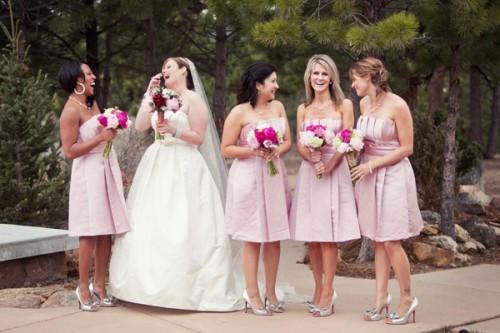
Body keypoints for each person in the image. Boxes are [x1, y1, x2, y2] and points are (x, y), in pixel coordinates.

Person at [109, 57, 243, 311]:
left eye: (169, 66)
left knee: (185, 223)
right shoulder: (159, 96)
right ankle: (143, 287)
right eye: (163, 67)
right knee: (151, 221)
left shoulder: (193, 99)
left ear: (184, 70)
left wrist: (175, 130)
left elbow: (198, 138)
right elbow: (139, 127)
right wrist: (148, 95)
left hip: (185, 166)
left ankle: (187, 288)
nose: (164, 70)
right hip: (157, 162)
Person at [350, 57, 423, 325]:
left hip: (392, 175)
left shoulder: (397, 105)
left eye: (355, 79)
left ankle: (407, 297)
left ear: (368, 77)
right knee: (378, 239)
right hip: (369, 176)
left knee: (392, 240)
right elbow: (365, 140)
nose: (353, 84)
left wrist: (373, 165)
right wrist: (351, 148)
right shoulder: (364, 104)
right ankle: (381, 297)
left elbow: (407, 148)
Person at [290, 54, 360, 317]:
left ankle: (329, 292)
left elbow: (347, 138)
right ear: (309, 77)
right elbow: (299, 142)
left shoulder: (344, 105)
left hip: (334, 171)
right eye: (315, 73)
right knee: (313, 237)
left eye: (324, 73)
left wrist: (330, 164)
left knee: (329, 237)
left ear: (331, 78)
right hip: (311, 173)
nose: (319, 78)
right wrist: (312, 157)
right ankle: (317, 288)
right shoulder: (303, 108)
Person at [58, 61, 130, 312]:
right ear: (77, 80)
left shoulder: (91, 104)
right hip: (87, 173)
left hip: (105, 167)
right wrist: (101, 137)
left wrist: (116, 171)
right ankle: (83, 287)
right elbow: (69, 151)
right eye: (88, 74)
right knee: (89, 231)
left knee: (106, 230)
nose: (93, 77)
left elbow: (103, 140)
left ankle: (100, 285)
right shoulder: (70, 112)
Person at [221, 62, 292, 316]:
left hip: (274, 175)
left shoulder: (279, 107)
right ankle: (252, 294)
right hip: (248, 177)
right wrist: (254, 150)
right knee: (252, 237)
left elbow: (288, 141)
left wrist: (277, 150)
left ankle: (271, 292)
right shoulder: (239, 113)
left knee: (273, 237)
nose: (277, 86)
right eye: (272, 81)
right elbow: (226, 148)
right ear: (258, 85)